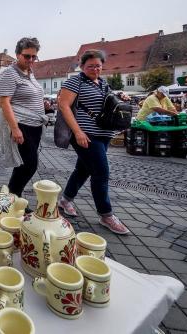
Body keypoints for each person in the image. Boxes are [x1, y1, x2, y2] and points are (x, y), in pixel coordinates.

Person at [58, 49, 130, 235]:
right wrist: (77, 131)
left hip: (103, 134)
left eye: (98, 66)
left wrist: (120, 99)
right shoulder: (75, 81)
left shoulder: (103, 83)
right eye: (91, 66)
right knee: (101, 172)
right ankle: (106, 215)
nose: (95, 69)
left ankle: (65, 200)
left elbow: (107, 103)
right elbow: (64, 105)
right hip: (85, 134)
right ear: (82, 66)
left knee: (83, 169)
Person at [0, 37, 45, 200]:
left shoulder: (29, 73)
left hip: (34, 125)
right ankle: (12, 197)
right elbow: (4, 101)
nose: (31, 60)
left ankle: (12, 199)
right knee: (29, 165)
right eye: (27, 56)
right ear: (17, 55)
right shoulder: (10, 74)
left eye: (34, 56)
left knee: (25, 165)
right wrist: (15, 128)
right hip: (21, 125)